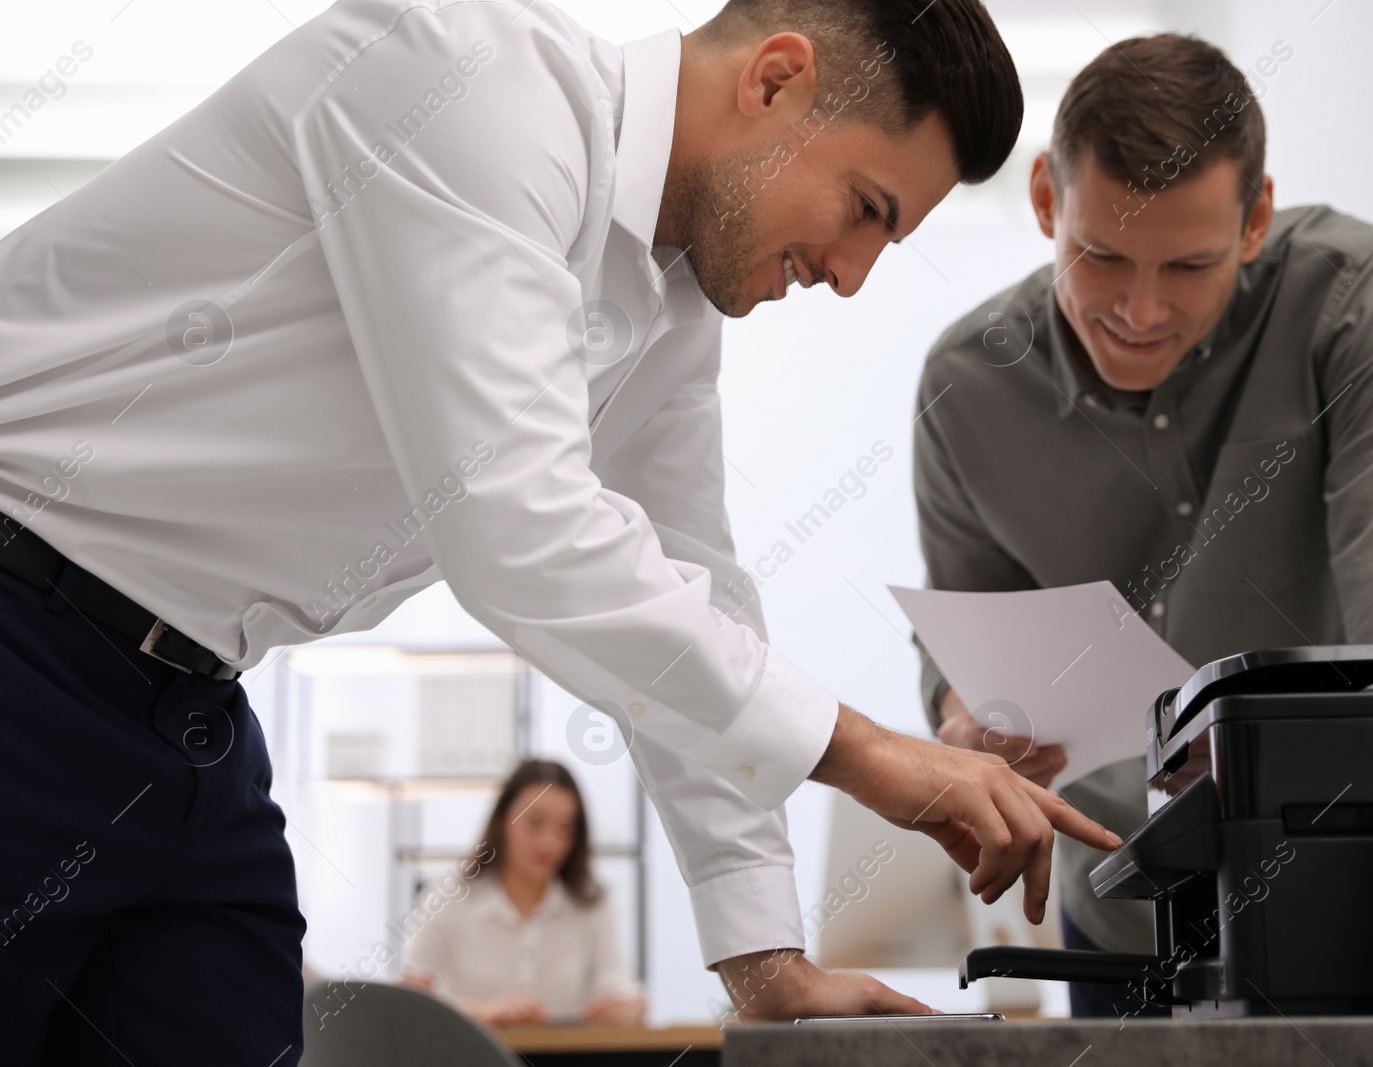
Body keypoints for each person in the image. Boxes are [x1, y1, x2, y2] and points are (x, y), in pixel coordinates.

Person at [0, 1, 1122, 1060]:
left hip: (186, 705)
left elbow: (693, 590)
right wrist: (873, 756)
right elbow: (517, 523)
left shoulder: (672, 309)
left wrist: (764, 955)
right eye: (867, 210)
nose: (849, 274)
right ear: (777, 81)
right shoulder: (472, 77)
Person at [914, 33, 1373, 1018]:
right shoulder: (963, 388)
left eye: (1188, 265)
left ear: (1254, 220)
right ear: (1046, 203)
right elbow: (961, 652)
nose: (1140, 310)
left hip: (1355, 886)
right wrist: (964, 722)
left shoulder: (1352, 300)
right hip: (1123, 915)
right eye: (1101, 256)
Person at [402, 760, 646, 1026]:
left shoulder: (592, 904)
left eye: (565, 829)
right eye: (534, 824)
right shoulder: (447, 899)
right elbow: (410, 998)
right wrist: (482, 1012)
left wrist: (630, 1006)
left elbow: (616, 984)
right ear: (502, 820)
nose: (548, 842)